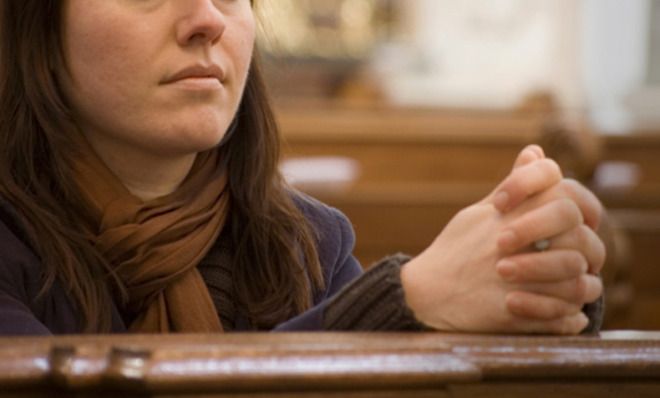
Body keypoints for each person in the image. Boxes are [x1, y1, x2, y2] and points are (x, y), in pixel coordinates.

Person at [0, 0, 604, 335]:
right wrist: (404, 303)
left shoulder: (309, 242)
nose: (207, 18)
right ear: (38, 26)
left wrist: (538, 286)